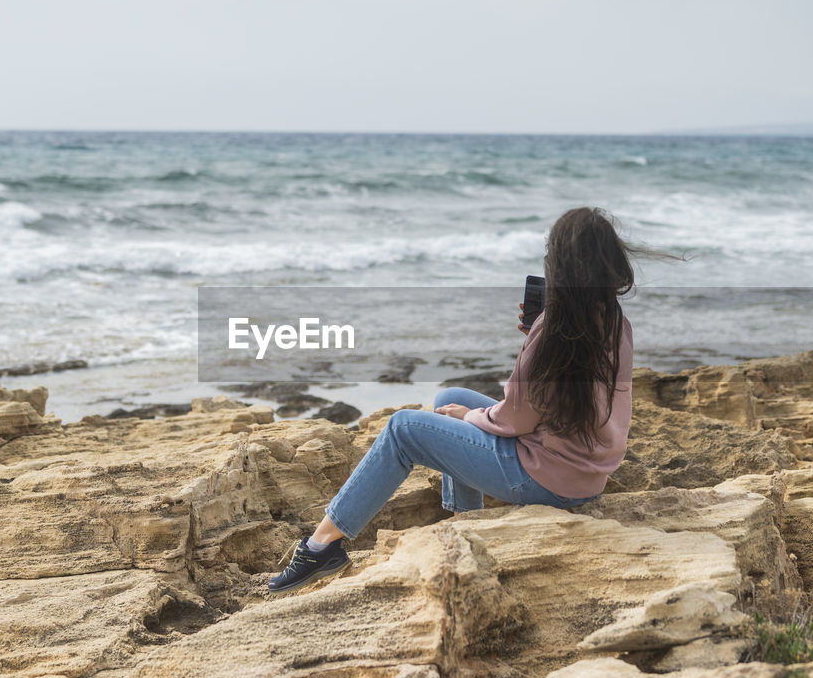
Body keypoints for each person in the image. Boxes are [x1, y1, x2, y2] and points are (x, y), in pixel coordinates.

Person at [268, 206, 639, 594]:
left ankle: (319, 547)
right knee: (449, 397)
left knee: (402, 429)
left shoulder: (555, 332)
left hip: (546, 478)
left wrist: (475, 413)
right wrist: (533, 340)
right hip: (584, 472)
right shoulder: (611, 322)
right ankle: (465, 520)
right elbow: (556, 401)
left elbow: (516, 419)